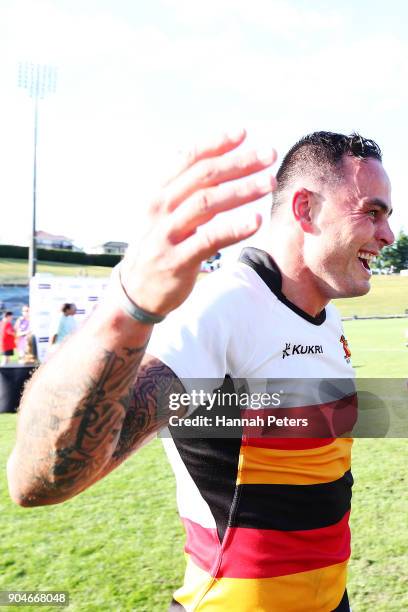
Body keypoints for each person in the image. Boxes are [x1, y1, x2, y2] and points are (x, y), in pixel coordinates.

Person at [7, 130, 394, 612]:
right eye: (372, 212)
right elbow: (40, 481)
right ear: (304, 210)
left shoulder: (325, 314)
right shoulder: (221, 307)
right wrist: (126, 308)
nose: (388, 235)